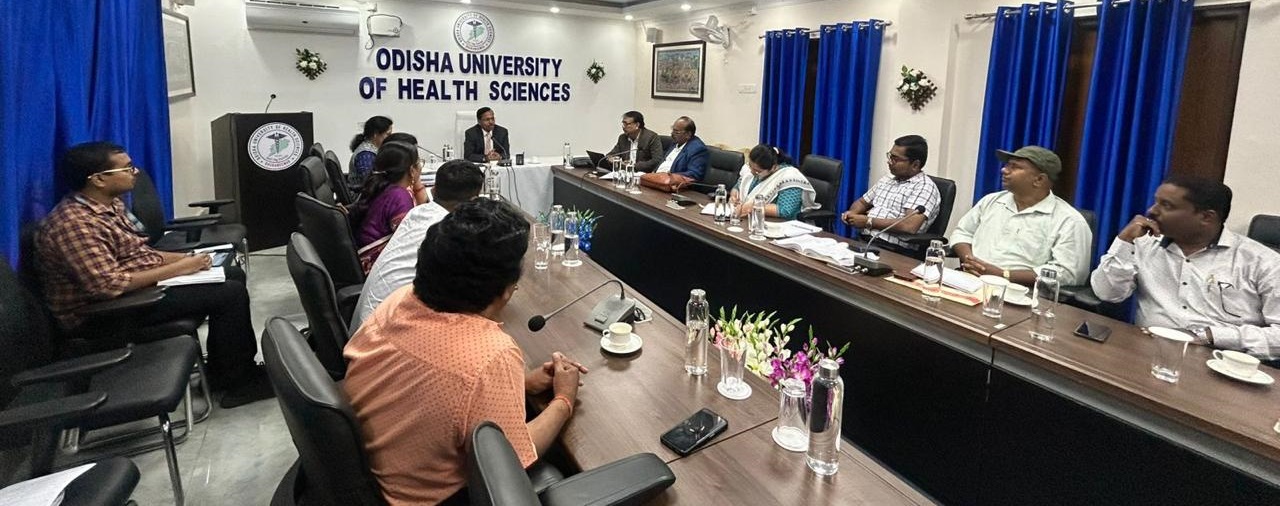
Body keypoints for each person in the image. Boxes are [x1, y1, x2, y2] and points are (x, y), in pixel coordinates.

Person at [343, 198, 586, 504]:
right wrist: (564, 399)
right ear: (506, 291)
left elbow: (440, 385)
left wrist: (521, 383)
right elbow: (512, 460)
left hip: (376, 477)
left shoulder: (398, 301)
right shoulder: (490, 355)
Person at [35, 141, 273, 409]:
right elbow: (108, 285)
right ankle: (239, 384)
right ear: (98, 179)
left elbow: (139, 254)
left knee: (230, 274)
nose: (135, 172)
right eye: (127, 168)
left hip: (130, 294)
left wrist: (186, 258)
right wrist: (181, 268)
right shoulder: (75, 224)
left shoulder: (109, 206)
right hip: (103, 315)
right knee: (229, 293)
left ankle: (224, 371)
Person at [1090, 176, 1280, 361]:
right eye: (1156, 202)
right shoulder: (1144, 243)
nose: (1151, 211)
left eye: (1166, 205)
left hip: (1222, 362)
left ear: (1206, 217)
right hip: (1148, 353)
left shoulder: (1262, 262)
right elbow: (1107, 293)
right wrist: (1124, 241)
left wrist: (1211, 335)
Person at [351, 160, 485, 330]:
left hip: (367, 326)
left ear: (433, 190)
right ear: (473, 202)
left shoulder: (416, 213)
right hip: (387, 332)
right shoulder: (447, 231)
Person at [950, 146, 1091, 286]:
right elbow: (962, 233)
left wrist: (1003, 274)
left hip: (1020, 291)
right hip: (969, 280)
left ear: (1039, 179)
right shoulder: (991, 201)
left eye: (1015, 167)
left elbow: (1068, 272)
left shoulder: (1069, 221)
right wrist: (970, 260)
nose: (1004, 170)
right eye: (1007, 165)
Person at [840, 135, 942, 251]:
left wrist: (869, 222)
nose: (889, 162)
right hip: (863, 240)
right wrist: (852, 213)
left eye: (895, 159)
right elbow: (862, 202)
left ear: (915, 165)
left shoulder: (924, 187)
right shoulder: (887, 179)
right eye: (890, 156)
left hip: (892, 248)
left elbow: (909, 225)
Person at [354, 142, 428, 273]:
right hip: (375, 265)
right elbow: (410, 241)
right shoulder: (399, 196)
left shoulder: (385, 187)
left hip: (364, 258)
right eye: (419, 163)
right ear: (411, 170)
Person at [730, 144, 819, 220]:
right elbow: (738, 186)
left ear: (773, 167)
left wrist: (755, 206)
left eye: (757, 171)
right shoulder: (753, 170)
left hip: (778, 224)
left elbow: (785, 211)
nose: (752, 172)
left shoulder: (789, 177)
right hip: (749, 218)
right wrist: (734, 196)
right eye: (750, 166)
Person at [653, 116, 708, 181]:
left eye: (676, 132)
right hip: (657, 179)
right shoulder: (675, 142)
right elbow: (664, 162)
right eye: (672, 130)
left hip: (674, 183)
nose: (672, 134)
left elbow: (694, 174)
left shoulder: (698, 149)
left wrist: (670, 177)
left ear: (688, 134)